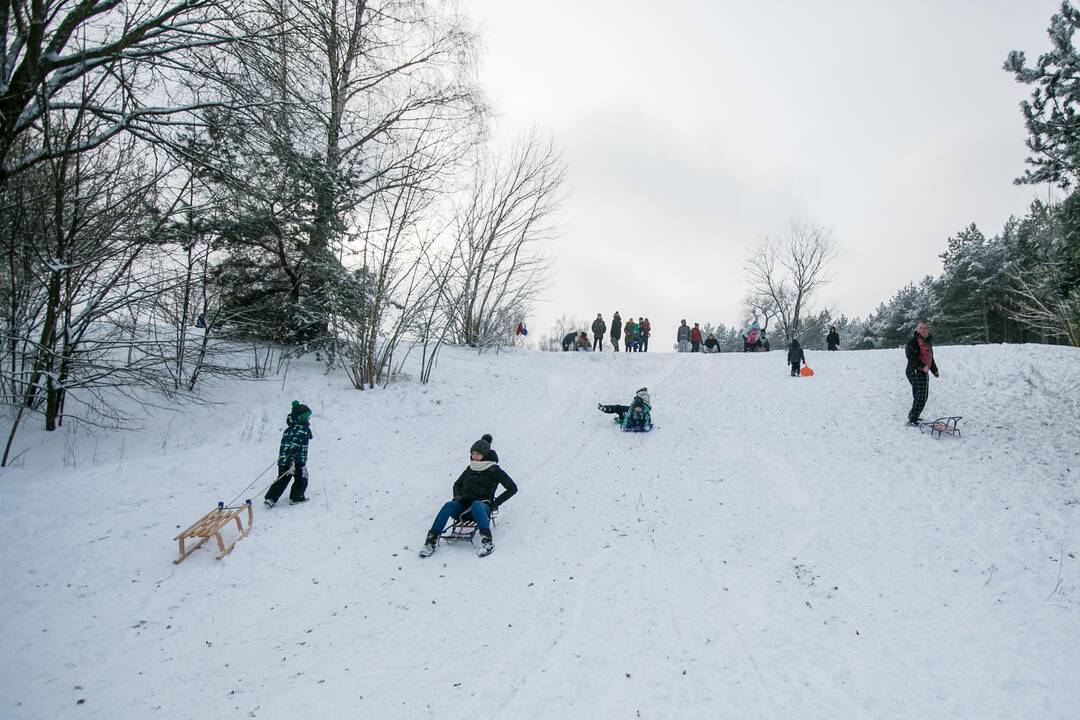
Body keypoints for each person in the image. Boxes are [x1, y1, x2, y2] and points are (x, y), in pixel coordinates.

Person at [419, 434, 518, 558]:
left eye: (478, 454)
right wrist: (457, 497)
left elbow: (512, 488)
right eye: (473, 453)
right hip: (464, 508)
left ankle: (487, 542)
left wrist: (495, 504)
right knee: (449, 505)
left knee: (477, 504)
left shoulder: (494, 470)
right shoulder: (470, 468)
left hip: (481, 508)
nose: (474, 456)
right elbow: (457, 484)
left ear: (485, 455)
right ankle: (430, 541)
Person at [265, 401, 313, 507]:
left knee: (282, 479)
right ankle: (297, 497)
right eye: (307, 417)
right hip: (297, 460)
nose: (309, 419)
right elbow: (296, 442)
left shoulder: (288, 430)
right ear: (301, 418)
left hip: (283, 459)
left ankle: (271, 498)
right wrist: (293, 456)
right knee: (302, 479)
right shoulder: (303, 428)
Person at [904, 321, 939, 426]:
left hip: (924, 371)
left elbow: (930, 358)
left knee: (920, 395)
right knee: (921, 395)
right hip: (914, 370)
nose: (923, 330)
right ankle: (912, 420)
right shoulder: (913, 341)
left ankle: (913, 415)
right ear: (917, 329)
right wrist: (921, 366)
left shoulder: (927, 342)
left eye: (925, 328)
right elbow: (910, 356)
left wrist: (934, 370)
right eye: (921, 328)